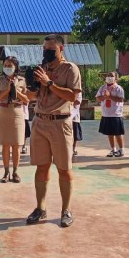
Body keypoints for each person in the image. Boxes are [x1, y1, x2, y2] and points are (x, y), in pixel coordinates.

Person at [25, 35, 81, 228]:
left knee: (64, 169)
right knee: (41, 167)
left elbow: (72, 96)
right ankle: (40, 208)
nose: (46, 53)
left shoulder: (70, 69)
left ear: (61, 49)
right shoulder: (42, 68)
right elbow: (32, 96)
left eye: (50, 49)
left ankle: (66, 210)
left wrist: (49, 83)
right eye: (44, 49)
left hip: (60, 122)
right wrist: (31, 85)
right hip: (40, 121)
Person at [0, 56, 29, 183]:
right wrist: (6, 91)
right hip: (3, 111)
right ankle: (6, 172)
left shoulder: (22, 80)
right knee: (5, 144)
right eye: (5, 65)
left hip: (17, 112)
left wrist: (16, 91)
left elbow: (26, 100)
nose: (7, 67)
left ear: (15, 67)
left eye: (10, 65)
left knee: (16, 144)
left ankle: (15, 172)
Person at [96, 71, 125, 157]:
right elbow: (98, 98)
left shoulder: (118, 88)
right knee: (110, 133)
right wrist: (104, 97)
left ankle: (121, 150)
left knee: (118, 133)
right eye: (108, 76)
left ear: (116, 78)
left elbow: (121, 99)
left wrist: (109, 97)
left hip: (116, 114)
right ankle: (113, 149)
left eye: (111, 76)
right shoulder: (102, 88)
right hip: (106, 114)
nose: (109, 77)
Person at [71, 91, 83, 157]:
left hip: (74, 117)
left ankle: (73, 149)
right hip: (64, 116)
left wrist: (66, 99)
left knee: (75, 135)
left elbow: (78, 102)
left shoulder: (78, 92)